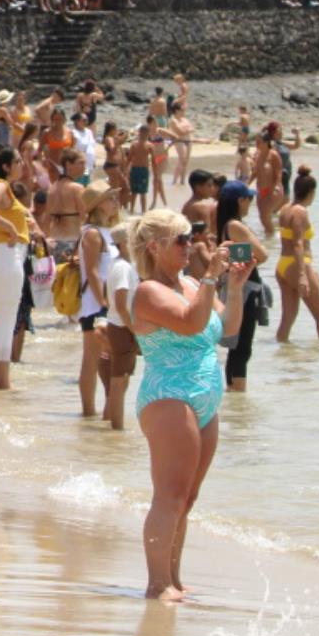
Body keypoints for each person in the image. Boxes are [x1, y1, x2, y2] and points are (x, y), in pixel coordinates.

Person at [131, 207, 250, 601]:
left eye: (190, 238)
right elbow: (189, 323)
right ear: (155, 246)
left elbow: (227, 331)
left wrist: (233, 286)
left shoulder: (192, 284)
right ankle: (156, 582)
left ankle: (174, 578)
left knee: (189, 495)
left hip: (204, 395)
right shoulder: (149, 291)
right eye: (182, 239)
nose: (192, 246)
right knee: (170, 494)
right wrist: (212, 279)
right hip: (170, 395)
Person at [0, 146, 36, 390]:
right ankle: (2, 382)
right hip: (5, 255)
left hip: (0, 256)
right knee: (5, 319)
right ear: (6, 166)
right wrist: (10, 228)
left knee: (4, 318)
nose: (22, 164)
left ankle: (1, 380)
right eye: (18, 161)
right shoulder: (0, 185)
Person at [214, 180, 269, 391]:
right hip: (245, 288)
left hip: (236, 285)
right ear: (241, 200)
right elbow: (262, 255)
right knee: (242, 347)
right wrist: (252, 243)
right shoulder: (235, 225)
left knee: (236, 347)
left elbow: (238, 255)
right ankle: (238, 390)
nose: (251, 204)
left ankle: (233, 391)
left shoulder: (225, 224)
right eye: (250, 199)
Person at [75, 181, 120, 418]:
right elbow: (92, 271)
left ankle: (107, 411)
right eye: (110, 198)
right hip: (95, 304)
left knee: (109, 358)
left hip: (109, 303)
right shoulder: (91, 233)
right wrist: (103, 302)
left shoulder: (108, 231)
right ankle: (88, 412)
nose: (116, 202)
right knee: (92, 359)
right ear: (98, 205)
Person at [274, 167, 319, 343]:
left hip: (283, 264)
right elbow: (298, 244)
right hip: (297, 265)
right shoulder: (300, 211)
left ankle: (282, 358)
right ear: (312, 192)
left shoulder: (285, 208)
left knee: (287, 320)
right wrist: (303, 275)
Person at [98, 224, 139, 431]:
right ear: (124, 243)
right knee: (118, 379)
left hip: (120, 324)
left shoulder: (118, 264)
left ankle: (111, 419)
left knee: (122, 379)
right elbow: (122, 305)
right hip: (123, 326)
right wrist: (135, 330)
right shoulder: (123, 267)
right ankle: (117, 428)